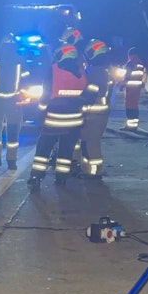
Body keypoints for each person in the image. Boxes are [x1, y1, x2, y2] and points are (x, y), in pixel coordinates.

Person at [29, 44, 87, 187]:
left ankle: (36, 178)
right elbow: (85, 94)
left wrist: (39, 114)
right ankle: (61, 178)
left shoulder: (54, 70)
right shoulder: (81, 71)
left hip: (54, 119)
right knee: (66, 152)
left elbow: (46, 95)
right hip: (74, 120)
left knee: (43, 149)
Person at [0, 32, 34, 170]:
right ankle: (12, 161)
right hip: (14, 102)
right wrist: (22, 97)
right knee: (13, 132)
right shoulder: (20, 60)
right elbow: (26, 81)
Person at [78, 39, 113, 178]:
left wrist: (80, 99)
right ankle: (87, 170)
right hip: (97, 113)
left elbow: (92, 90)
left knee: (91, 142)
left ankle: (94, 172)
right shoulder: (103, 69)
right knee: (88, 141)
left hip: (94, 113)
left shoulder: (97, 71)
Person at [122, 47, 147, 131]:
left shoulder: (131, 62)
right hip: (137, 88)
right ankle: (133, 126)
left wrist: (122, 84)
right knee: (134, 106)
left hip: (130, 87)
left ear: (130, 54)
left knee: (129, 106)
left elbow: (127, 75)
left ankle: (130, 126)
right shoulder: (140, 62)